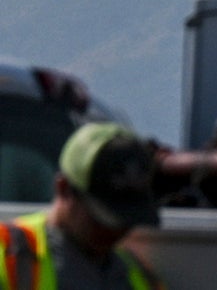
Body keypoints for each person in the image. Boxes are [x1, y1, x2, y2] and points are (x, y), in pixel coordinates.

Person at [4, 123, 164, 290]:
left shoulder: (140, 277)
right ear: (63, 188)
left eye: (126, 218)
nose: (114, 230)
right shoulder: (9, 255)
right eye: (103, 217)